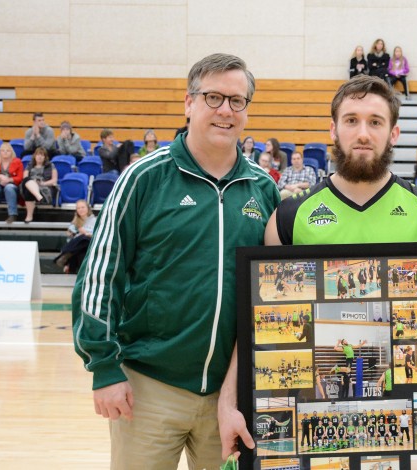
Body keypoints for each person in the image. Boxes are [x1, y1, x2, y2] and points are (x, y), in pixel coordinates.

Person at [218, 75, 417, 455]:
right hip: (314, 411)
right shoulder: (290, 216)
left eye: (375, 122)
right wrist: (229, 401)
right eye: (351, 120)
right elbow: (257, 319)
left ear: (393, 133)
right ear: (333, 129)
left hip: (409, 413)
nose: (363, 133)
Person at [72, 53, 280, 469]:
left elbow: (275, 291)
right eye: (214, 97)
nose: (225, 110)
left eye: (237, 101)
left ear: (247, 111)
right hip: (149, 385)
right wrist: (105, 368)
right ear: (189, 103)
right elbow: (101, 274)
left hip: (231, 395)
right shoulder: (144, 178)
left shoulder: (262, 189)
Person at [56, 199, 97, 274]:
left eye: (83, 207)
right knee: (80, 249)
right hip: (78, 245)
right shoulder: (75, 221)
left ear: (88, 208)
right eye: (78, 208)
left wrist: (86, 233)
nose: (81, 210)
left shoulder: (95, 220)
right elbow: (69, 235)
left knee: (85, 238)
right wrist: (75, 232)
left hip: (91, 242)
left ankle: (67, 255)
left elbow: (98, 235)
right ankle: (70, 259)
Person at [20, 147, 57, 223]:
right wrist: (33, 182)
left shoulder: (51, 165)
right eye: (38, 155)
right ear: (35, 156)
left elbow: (54, 180)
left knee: (28, 191)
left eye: (42, 155)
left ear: (45, 157)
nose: (39, 157)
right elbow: (25, 178)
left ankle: (29, 216)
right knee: (27, 181)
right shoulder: (29, 165)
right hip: (30, 186)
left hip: (44, 188)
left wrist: (43, 183)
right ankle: (37, 195)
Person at [0, 142, 24, 223]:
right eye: (3, 150)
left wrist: (9, 180)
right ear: (0, 152)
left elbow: (20, 178)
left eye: (7, 151)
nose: (5, 152)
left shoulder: (17, 162)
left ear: (11, 152)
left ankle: (12, 215)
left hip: (13, 185)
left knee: (9, 188)